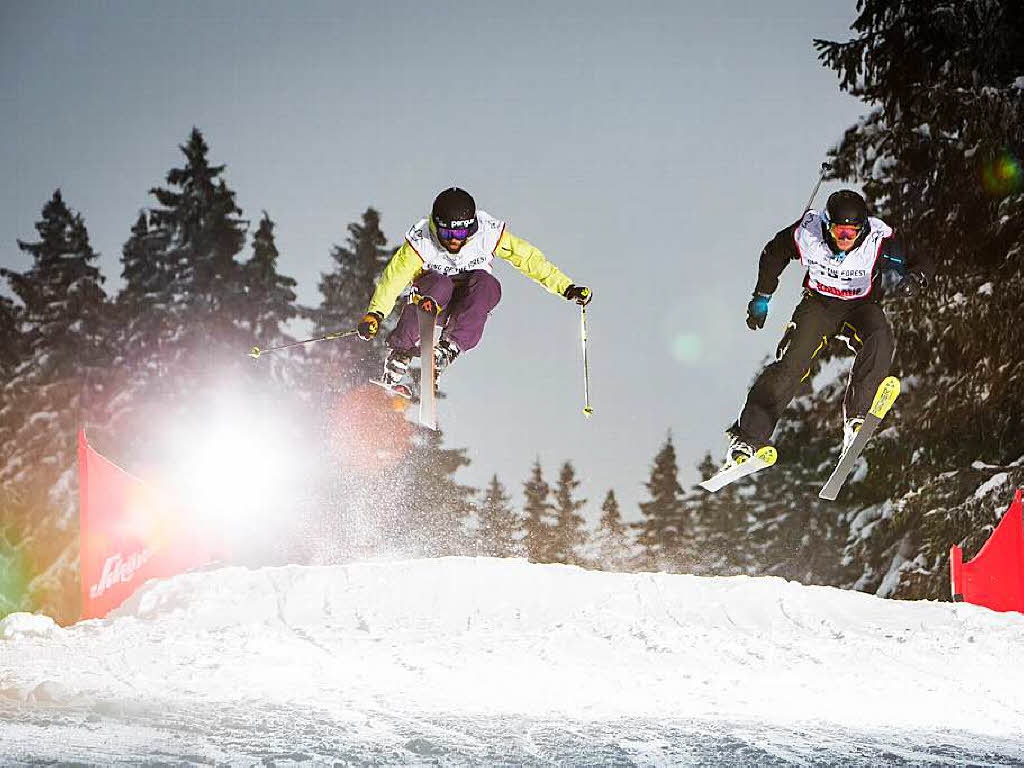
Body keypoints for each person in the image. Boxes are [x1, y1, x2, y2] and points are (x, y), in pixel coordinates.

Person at [723, 189, 934, 466]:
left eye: (851, 233)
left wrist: (916, 278)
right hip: (818, 306)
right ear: (827, 225)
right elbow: (774, 253)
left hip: (859, 307)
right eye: (839, 232)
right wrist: (762, 296)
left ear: (862, 228)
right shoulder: (808, 235)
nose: (845, 239)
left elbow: (922, 259)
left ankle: (858, 417)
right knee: (791, 363)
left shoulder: (877, 241)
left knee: (879, 337)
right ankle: (748, 437)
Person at [356, 187, 591, 394]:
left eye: (459, 234)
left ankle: (449, 348)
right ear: (435, 227)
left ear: (471, 228)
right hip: (431, 299)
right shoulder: (421, 240)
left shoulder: (487, 234)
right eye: (447, 234)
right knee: (440, 283)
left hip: (464, 307)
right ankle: (400, 353)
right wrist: (375, 314)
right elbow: (394, 278)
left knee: (488, 284)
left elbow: (528, 258)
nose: (454, 241)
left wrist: (567, 287)